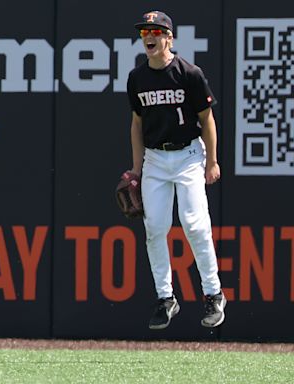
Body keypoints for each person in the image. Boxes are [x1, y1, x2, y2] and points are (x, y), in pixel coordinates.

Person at [126, 11, 226, 329]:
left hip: (188, 156)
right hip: (155, 159)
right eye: (145, 32)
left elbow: (207, 119)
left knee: (194, 224)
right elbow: (137, 123)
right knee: (154, 227)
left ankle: (213, 294)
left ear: (169, 37)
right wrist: (136, 168)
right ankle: (165, 298)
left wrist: (211, 161)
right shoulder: (137, 78)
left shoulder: (189, 73)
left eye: (156, 31)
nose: (149, 36)